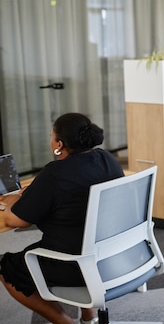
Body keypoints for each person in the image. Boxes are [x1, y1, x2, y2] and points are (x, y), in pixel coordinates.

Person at [0, 113, 124, 324]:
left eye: (51, 135)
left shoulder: (55, 173)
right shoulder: (106, 159)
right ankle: (89, 318)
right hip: (114, 254)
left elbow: (16, 221)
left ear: (59, 144)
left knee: (7, 268)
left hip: (75, 263)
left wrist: (11, 201)